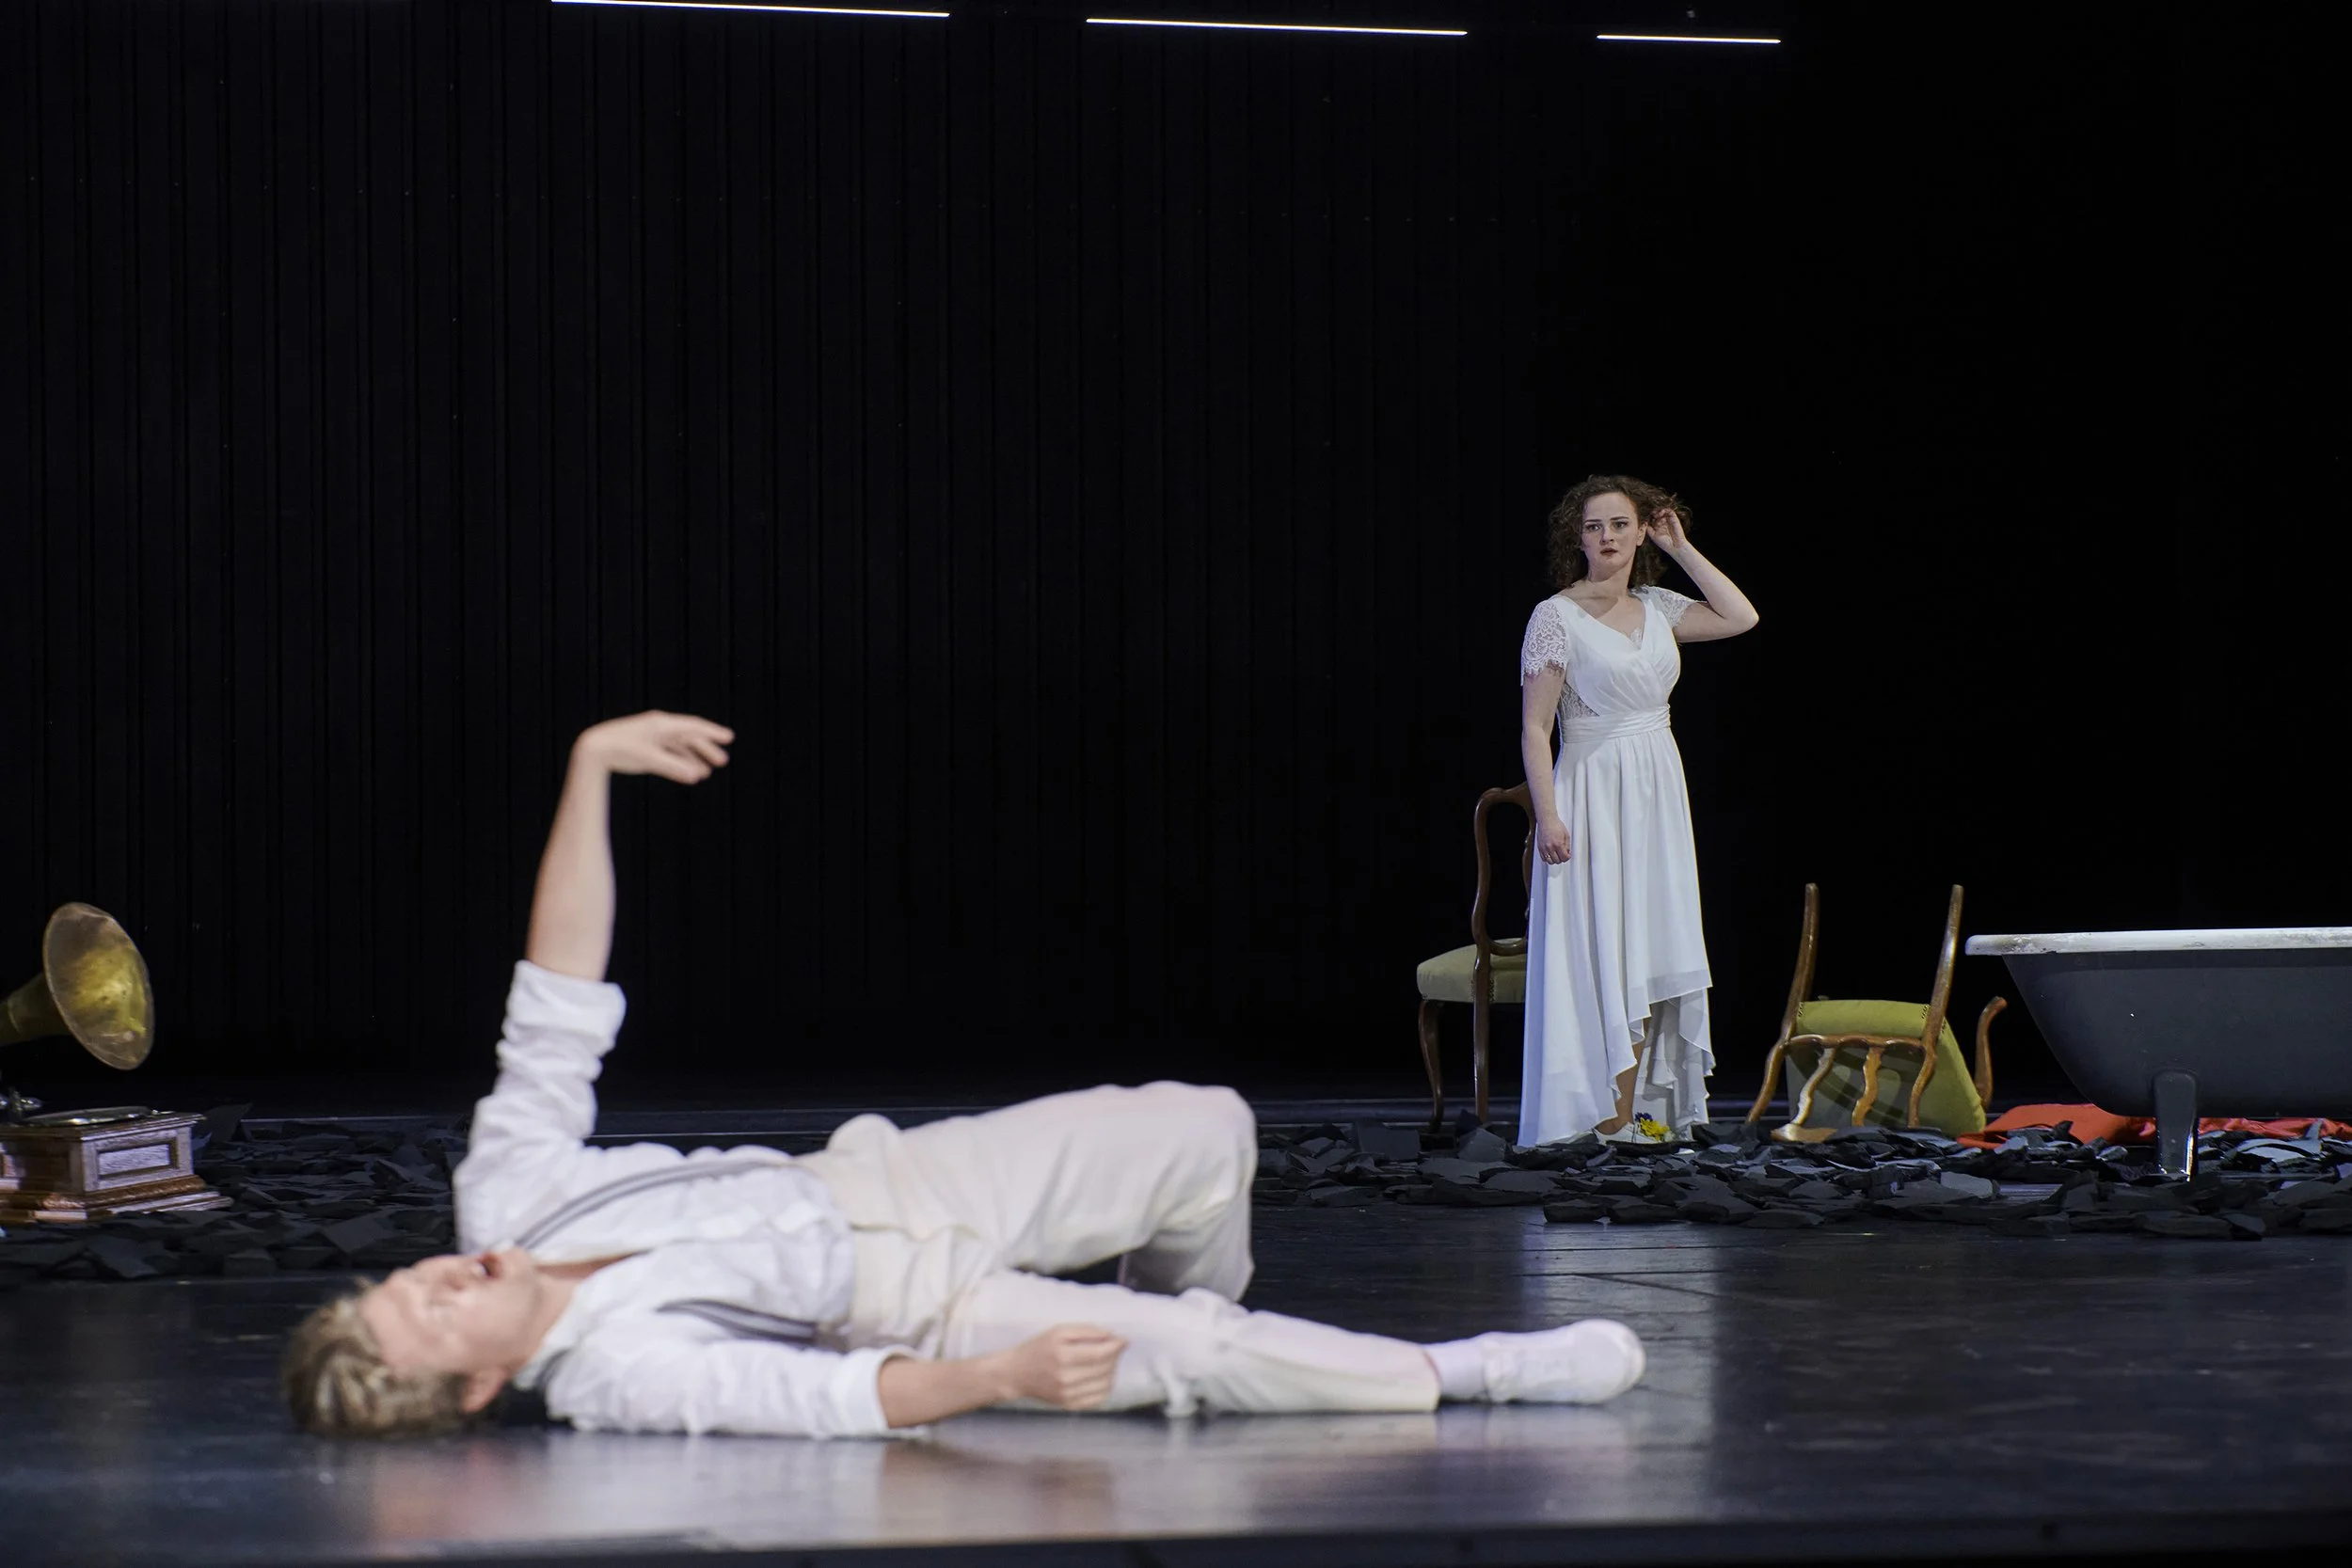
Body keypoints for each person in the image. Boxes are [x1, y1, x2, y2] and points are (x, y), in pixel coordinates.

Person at [282, 711, 1648, 1438]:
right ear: (473, 1387)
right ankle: (1461, 1374)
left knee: (1209, 1129)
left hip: (892, 1175)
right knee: (1183, 1357)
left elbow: (557, 1003)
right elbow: (828, 1400)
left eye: (408, 1278)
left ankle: (1206, 1323)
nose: (441, 1274)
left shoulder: (506, 1194)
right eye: (433, 1316)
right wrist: (1003, 1370)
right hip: (912, 1305)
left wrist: (589, 762)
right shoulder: (612, 1377)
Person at [1517, 477, 1759, 1148]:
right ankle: (1597, 1113)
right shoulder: (1556, 616)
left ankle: (1641, 1114)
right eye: (1595, 527)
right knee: (1602, 947)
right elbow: (1536, 729)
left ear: (1639, 531)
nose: (1609, 537)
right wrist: (1551, 815)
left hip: (1657, 789)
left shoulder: (1657, 605)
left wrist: (1680, 548)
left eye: (1621, 524)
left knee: (1652, 942)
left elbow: (1741, 616)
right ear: (1578, 536)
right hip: (1592, 790)